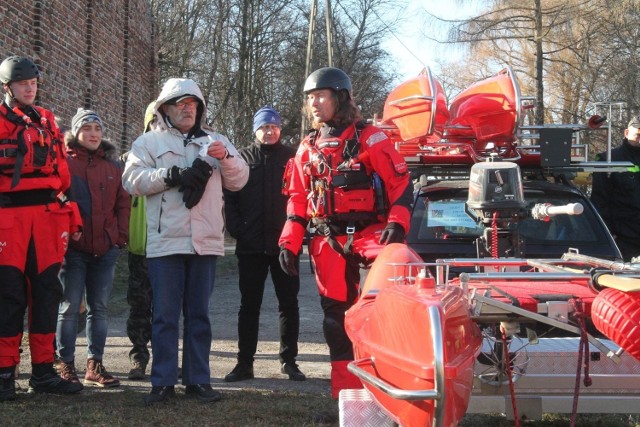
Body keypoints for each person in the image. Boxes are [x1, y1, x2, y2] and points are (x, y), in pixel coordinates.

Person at [278, 67, 413, 398]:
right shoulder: (307, 147)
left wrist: (397, 223)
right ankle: (346, 397)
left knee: (386, 309)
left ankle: (392, 387)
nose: (314, 104)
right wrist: (289, 242)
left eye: (321, 96)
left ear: (340, 98)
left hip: (372, 234)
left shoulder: (371, 138)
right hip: (328, 239)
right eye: (310, 98)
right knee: (335, 321)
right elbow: (297, 199)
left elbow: (401, 185)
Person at [122, 78, 249, 406]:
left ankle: (198, 380)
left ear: (201, 107)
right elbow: (132, 180)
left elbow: (239, 180)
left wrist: (228, 158)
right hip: (165, 242)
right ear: (165, 107)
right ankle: (162, 382)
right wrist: (171, 176)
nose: (187, 108)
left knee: (199, 315)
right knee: (164, 315)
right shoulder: (148, 142)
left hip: (205, 242)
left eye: (193, 103)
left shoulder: (216, 141)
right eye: (180, 103)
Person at [0, 55, 83, 401]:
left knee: (48, 292)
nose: (29, 89)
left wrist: (71, 215)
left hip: (48, 216)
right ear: (8, 87)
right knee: (9, 296)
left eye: (33, 84)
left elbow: (62, 175)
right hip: (9, 219)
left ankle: (44, 372)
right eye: (23, 84)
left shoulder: (47, 121)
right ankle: (5, 374)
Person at [223, 106, 305, 383]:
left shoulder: (293, 157)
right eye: (263, 127)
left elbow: (304, 196)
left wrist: (296, 235)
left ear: (280, 129)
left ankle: (289, 361)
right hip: (251, 245)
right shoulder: (242, 158)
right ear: (255, 130)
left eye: (273, 127)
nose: (269, 132)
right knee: (249, 305)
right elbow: (229, 197)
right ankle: (244, 364)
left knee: (288, 304)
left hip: (286, 245)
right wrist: (238, 230)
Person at [55, 109, 130, 388]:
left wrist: (119, 236)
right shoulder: (63, 162)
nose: (93, 134)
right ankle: (65, 365)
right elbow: (57, 197)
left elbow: (123, 203)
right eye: (86, 129)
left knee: (99, 308)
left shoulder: (113, 167)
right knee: (69, 307)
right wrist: (66, 234)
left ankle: (94, 364)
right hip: (72, 251)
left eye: (97, 129)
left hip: (105, 249)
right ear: (76, 133)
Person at [123, 102, 156, 380]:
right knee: (139, 306)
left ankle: (165, 359)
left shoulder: (175, 158)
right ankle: (138, 358)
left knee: (166, 308)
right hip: (138, 247)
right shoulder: (129, 160)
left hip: (167, 247)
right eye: (153, 120)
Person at [591, 116, 640, 261]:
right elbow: (600, 201)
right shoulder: (608, 160)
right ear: (626, 133)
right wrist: (608, 235)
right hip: (624, 240)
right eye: (638, 135)